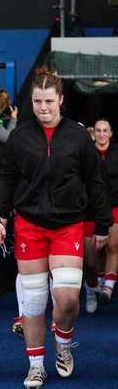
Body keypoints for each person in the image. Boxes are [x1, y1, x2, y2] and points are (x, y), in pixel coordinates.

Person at [0, 66, 113, 388]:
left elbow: (94, 181)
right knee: (33, 301)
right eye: (37, 101)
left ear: (61, 100)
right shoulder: (20, 137)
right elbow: (6, 179)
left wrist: (102, 223)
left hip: (69, 224)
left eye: (49, 101)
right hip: (29, 224)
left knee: (68, 300)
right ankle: (36, 365)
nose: (43, 108)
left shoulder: (77, 137)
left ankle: (64, 343)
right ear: (32, 100)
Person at [93, 118, 118, 303]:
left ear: (110, 133)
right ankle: (99, 281)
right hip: (92, 208)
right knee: (95, 250)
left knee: (112, 246)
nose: (101, 134)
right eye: (98, 130)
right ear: (93, 133)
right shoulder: (86, 152)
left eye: (105, 130)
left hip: (115, 205)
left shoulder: (116, 152)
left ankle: (108, 288)